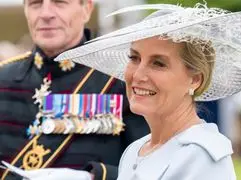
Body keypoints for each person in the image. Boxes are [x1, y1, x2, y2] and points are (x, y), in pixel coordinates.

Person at [39, 3, 241, 179]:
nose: (138, 74)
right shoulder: (136, 150)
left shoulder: (202, 156)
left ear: (194, 79)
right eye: (135, 57)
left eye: (158, 63)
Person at [0, 0, 149, 180]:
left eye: (59, 2)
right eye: (35, 3)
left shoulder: (122, 80)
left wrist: (94, 177)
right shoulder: (3, 79)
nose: (46, 13)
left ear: (86, 9)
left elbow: (151, 168)